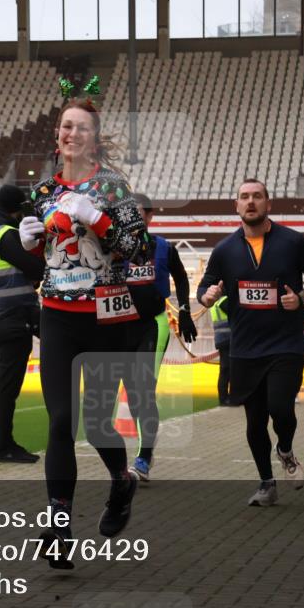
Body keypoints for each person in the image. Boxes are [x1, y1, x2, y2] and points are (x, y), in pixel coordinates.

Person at [19, 91, 152, 568]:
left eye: (79, 127)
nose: (69, 133)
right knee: (59, 422)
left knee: (97, 424)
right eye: (64, 126)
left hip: (105, 317)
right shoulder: (42, 192)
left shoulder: (114, 190)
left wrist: (95, 220)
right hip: (56, 316)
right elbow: (46, 258)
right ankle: (58, 525)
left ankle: (122, 481)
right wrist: (30, 243)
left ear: (94, 140)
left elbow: (138, 252)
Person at [197, 179, 304, 506]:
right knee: (255, 420)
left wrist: (302, 297)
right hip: (244, 348)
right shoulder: (225, 249)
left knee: (281, 408)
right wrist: (208, 294)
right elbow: (205, 286)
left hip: (286, 343)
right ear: (236, 205)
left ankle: (284, 448)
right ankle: (266, 483)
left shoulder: (292, 242)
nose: (251, 202)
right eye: (244, 197)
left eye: (257, 196)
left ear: (268, 203)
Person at [122, 193, 198, 482]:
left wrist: (186, 310)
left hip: (154, 324)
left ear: (150, 216)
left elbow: (180, 277)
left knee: (143, 391)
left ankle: (143, 458)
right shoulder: (111, 249)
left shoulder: (164, 248)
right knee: (132, 396)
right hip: (119, 326)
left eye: (139, 213)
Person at [0, 185, 45, 463]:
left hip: (6, 317)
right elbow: (37, 270)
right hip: (13, 318)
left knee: (6, 387)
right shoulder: (5, 235)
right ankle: (3, 447)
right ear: (16, 210)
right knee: (7, 388)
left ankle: (4, 445)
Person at [210, 296, 231, 406]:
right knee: (227, 369)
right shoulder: (224, 300)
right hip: (229, 338)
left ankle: (225, 398)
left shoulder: (215, 302)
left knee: (226, 370)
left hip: (222, 339)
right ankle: (226, 399)